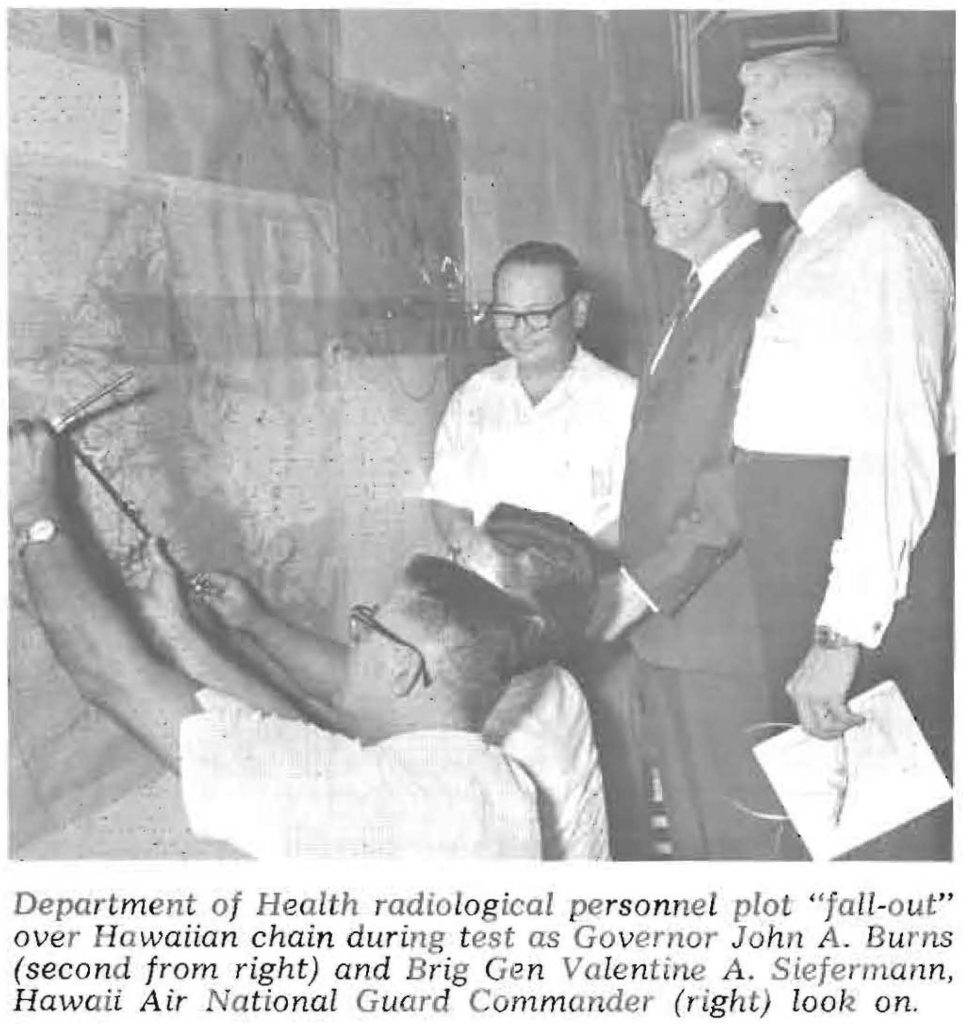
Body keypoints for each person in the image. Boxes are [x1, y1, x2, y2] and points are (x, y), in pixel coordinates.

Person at [10, 421, 600, 858]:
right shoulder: (491, 781)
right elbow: (302, 752)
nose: (351, 642)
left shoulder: (386, 800)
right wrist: (178, 633)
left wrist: (34, 512)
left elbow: (111, 678)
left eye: (366, 628)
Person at [733, 47, 954, 858]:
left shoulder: (884, 240)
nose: (741, 138)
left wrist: (840, 639)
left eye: (756, 120)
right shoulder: (811, 238)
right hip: (803, 561)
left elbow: (896, 451)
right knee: (823, 828)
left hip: (854, 583)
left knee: (877, 837)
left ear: (819, 126)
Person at [585, 117, 779, 859]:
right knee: (698, 843)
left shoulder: (760, 292)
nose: (643, 196)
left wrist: (642, 586)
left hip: (718, 633)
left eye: (663, 181)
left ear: (717, 187)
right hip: (673, 631)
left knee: (737, 847)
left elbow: (743, 473)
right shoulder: (702, 291)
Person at [425, 240, 637, 557]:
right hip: (487, 588)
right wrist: (464, 537)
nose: (519, 331)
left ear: (578, 310)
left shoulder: (625, 401)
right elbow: (447, 494)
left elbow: (637, 518)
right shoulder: (474, 397)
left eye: (537, 314)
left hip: (585, 592)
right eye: (505, 314)